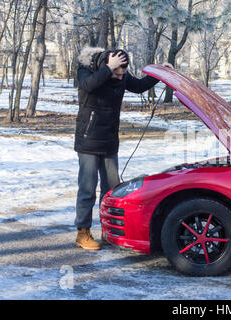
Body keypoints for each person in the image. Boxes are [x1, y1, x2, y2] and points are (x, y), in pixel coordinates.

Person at [74, 47, 165, 250]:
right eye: (117, 71)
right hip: (88, 139)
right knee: (88, 188)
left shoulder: (120, 74)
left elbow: (140, 86)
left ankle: (109, 232)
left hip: (109, 140)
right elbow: (88, 86)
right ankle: (83, 232)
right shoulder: (86, 70)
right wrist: (109, 69)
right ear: (106, 64)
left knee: (112, 189)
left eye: (123, 72)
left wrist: (160, 73)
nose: (120, 76)